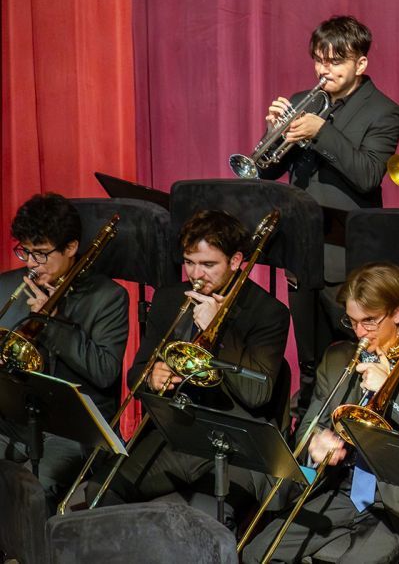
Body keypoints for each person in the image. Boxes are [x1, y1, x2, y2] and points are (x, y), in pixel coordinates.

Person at [243, 262, 399, 563]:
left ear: (398, 313)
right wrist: (315, 444)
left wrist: (393, 390)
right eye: (352, 321)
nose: (360, 333)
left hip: (397, 506)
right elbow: (308, 427)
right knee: (256, 553)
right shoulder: (337, 358)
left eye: (369, 321)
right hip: (341, 491)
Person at [88, 210, 290, 514]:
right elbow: (136, 374)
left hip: (233, 444)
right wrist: (151, 377)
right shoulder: (169, 298)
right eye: (189, 262)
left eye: (208, 265)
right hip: (178, 434)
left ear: (235, 261)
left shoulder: (268, 312)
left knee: (201, 522)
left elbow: (257, 394)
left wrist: (218, 331)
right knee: (100, 491)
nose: (196, 275)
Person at [255, 15, 399, 415]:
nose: (325, 69)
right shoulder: (303, 99)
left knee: (357, 356)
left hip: (348, 258)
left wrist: (320, 132)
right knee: (310, 362)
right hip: (302, 252)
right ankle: (306, 436)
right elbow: (266, 170)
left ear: (361, 63)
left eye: (336, 61)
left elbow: (368, 175)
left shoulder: (385, 111)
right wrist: (272, 134)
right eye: (320, 60)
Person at [0, 193, 129, 511]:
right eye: (25, 251)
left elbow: (105, 371)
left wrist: (53, 323)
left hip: (72, 431)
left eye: (41, 253)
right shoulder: (6, 286)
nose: (31, 264)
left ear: (71, 248)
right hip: (13, 418)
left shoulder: (108, 297)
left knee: (32, 493)